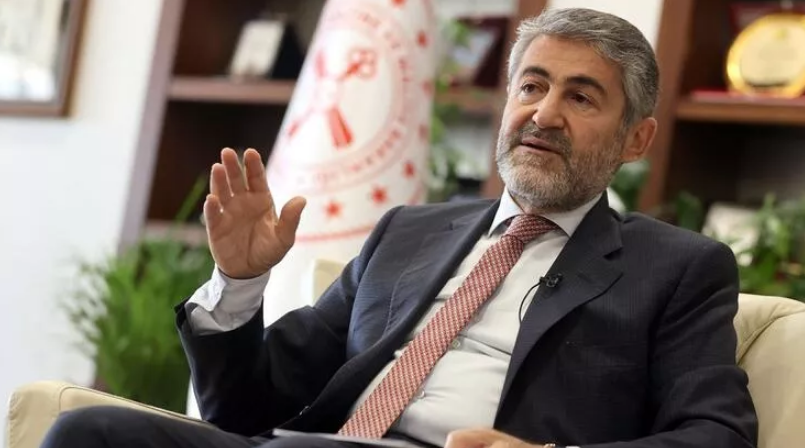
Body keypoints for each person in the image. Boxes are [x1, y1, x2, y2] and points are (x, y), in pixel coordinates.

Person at [40, 8, 758, 448]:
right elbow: (246, 407)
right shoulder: (409, 232)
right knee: (88, 431)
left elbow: (716, 435)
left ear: (635, 140)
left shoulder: (676, 267)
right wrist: (239, 281)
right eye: (532, 86)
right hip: (316, 446)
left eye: (580, 97)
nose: (543, 114)